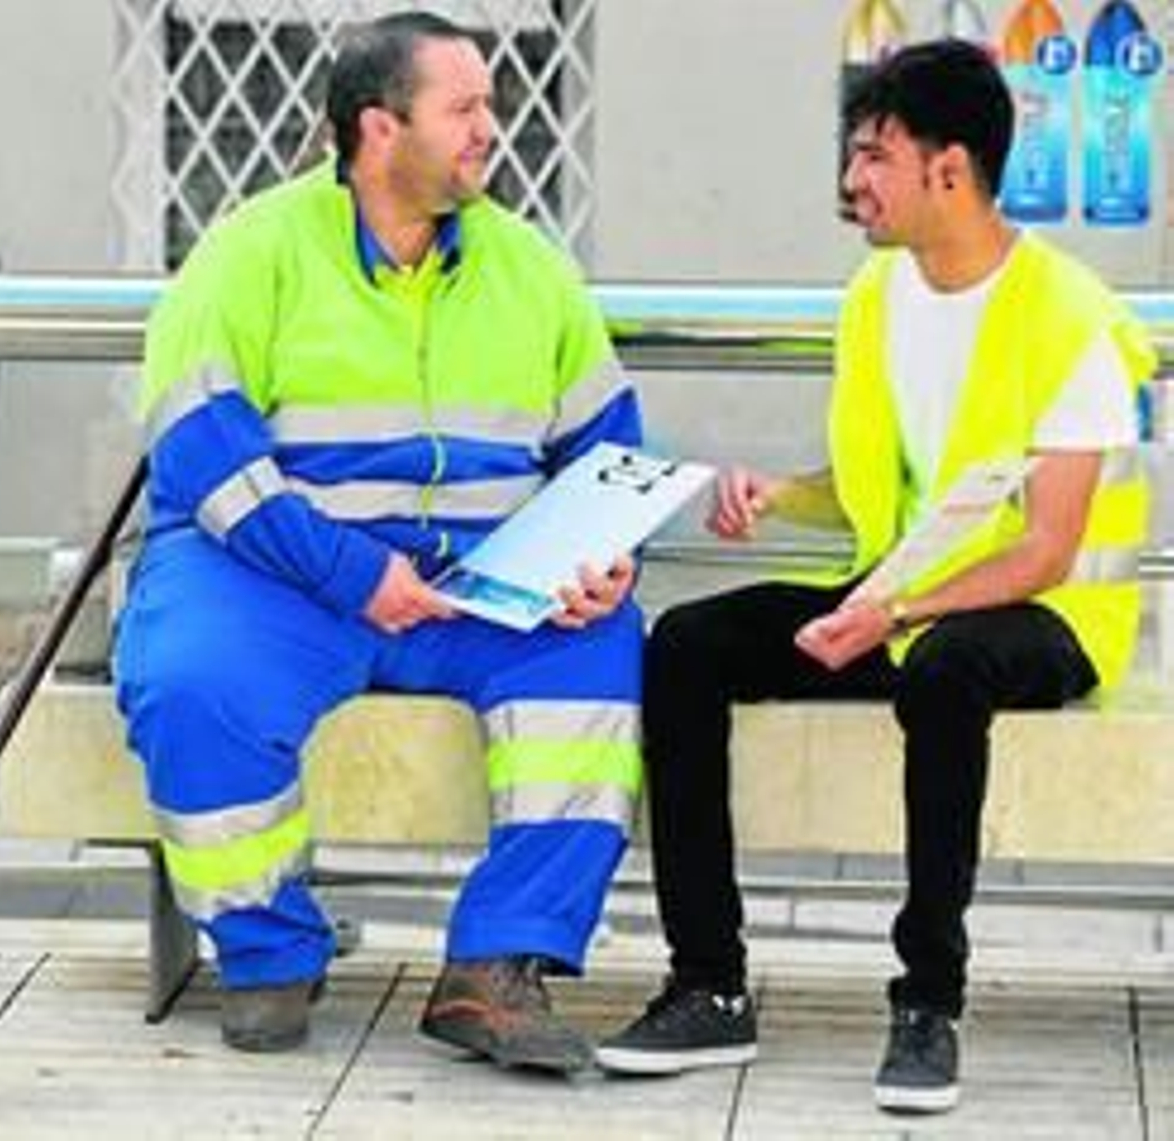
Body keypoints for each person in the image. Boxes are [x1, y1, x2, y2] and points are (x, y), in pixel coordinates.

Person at [595, 39, 1153, 1115]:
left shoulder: (1067, 316)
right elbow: (878, 494)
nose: (851, 183)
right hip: (897, 598)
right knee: (688, 644)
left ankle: (927, 1003)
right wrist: (780, 495)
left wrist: (887, 611)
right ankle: (709, 985)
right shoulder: (873, 297)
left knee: (942, 672)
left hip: (1048, 616)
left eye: (871, 157)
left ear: (949, 167)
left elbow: (1046, 548)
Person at [114, 10, 645, 1072]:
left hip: (484, 582)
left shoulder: (530, 267)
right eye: (464, 109)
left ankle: (496, 970)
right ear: (376, 128)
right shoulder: (249, 253)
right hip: (277, 573)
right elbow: (200, 454)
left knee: (596, 656)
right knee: (187, 680)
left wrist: (606, 554)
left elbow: (606, 447)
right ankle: (268, 949)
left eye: (488, 106)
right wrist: (356, 574)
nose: (490, 128)